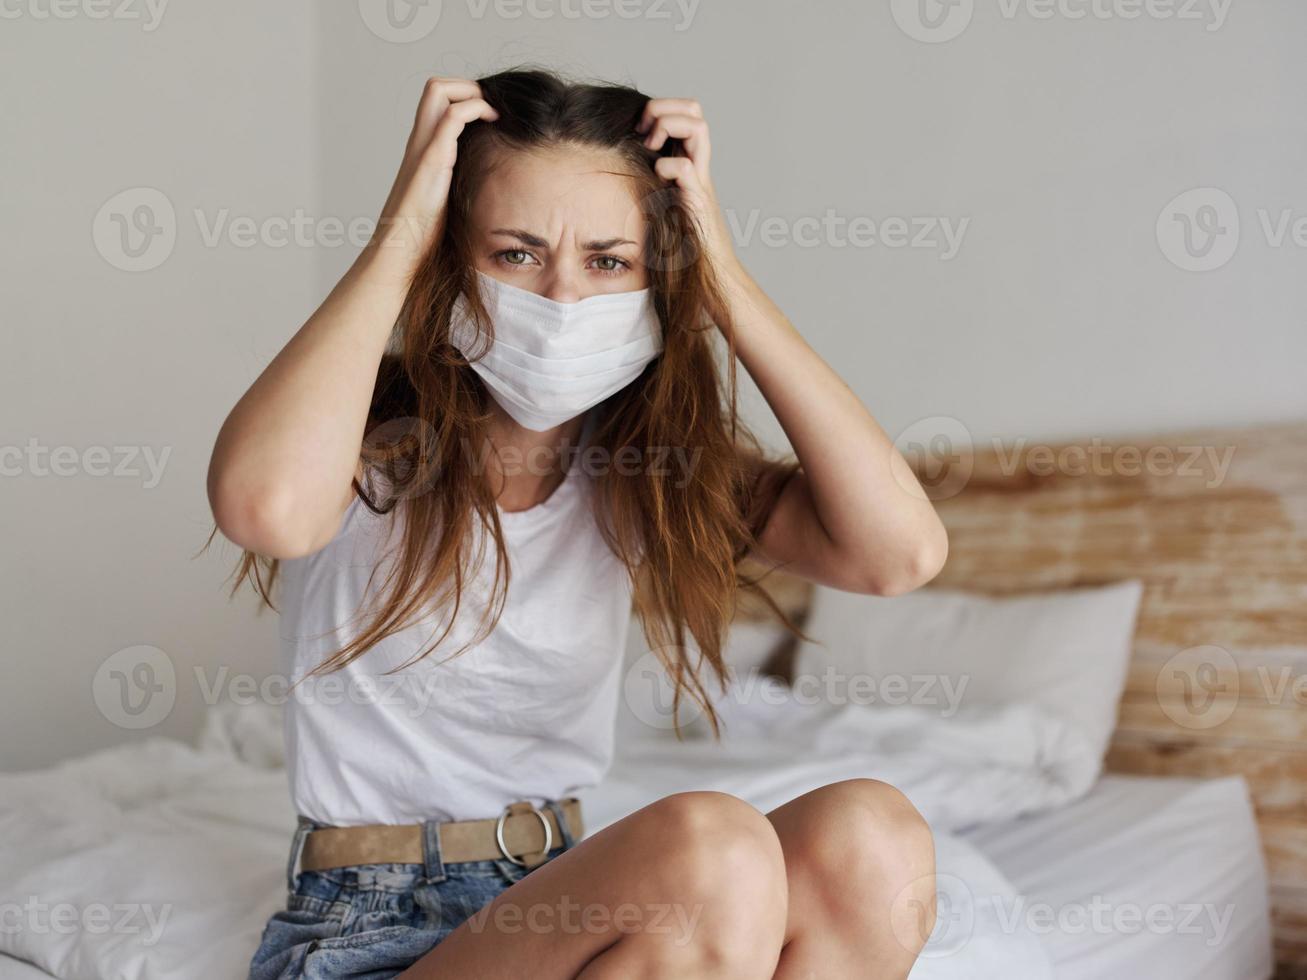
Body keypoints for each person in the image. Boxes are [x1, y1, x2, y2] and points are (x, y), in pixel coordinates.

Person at [209, 67, 948, 980]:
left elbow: (900, 554)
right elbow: (264, 509)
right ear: (450, 257)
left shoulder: (647, 471)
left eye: (609, 261)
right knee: (706, 847)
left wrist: (724, 280)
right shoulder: (365, 439)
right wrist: (401, 234)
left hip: (567, 893)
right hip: (368, 920)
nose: (562, 300)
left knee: (870, 835)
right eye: (515, 254)